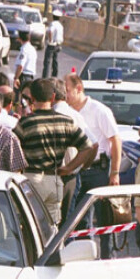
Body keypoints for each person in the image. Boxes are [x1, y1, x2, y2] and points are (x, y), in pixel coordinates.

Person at [14, 79, 95, 223]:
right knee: (52, 228)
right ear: (52, 97)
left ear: (32, 98)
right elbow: (87, 146)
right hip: (55, 181)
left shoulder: (25, 123)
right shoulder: (66, 122)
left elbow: (14, 150)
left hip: (32, 180)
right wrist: (69, 168)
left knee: (29, 225)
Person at [52, 78, 90, 224]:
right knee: (66, 225)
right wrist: (78, 167)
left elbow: (91, 146)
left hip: (59, 176)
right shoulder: (75, 115)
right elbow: (92, 146)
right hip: (70, 176)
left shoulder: (52, 115)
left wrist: (69, 168)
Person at [13, 31, 37, 96]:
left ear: (19, 39)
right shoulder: (32, 49)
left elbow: (20, 66)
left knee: (17, 98)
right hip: (30, 77)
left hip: (23, 77)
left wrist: (16, 78)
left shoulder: (24, 50)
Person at [42, 10, 64, 78]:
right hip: (58, 44)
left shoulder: (53, 24)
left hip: (52, 45)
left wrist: (50, 40)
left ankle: (45, 77)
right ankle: (55, 76)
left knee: (47, 62)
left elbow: (50, 31)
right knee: (55, 61)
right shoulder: (60, 26)